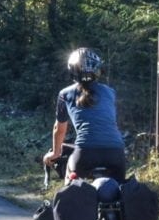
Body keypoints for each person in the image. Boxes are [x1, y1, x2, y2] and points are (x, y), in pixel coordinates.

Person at [43, 47, 126, 183]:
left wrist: (55, 153)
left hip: (85, 153)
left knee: (72, 189)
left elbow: (59, 129)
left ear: (72, 70)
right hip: (116, 152)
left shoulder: (65, 94)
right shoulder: (110, 92)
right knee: (121, 191)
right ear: (98, 70)